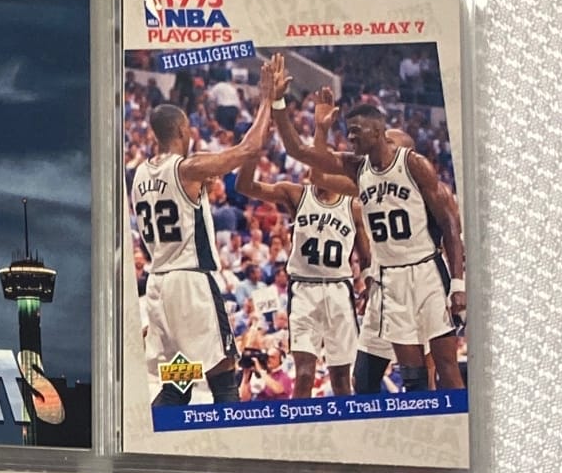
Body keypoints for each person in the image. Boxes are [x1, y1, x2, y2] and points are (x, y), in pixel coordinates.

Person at [266, 52, 465, 394]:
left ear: (378, 131)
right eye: (348, 133)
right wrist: (279, 103)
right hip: (390, 279)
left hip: (426, 269)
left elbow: (449, 224)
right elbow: (299, 152)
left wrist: (458, 283)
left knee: (446, 367)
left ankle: (457, 423)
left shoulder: (413, 165)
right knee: (413, 377)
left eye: (356, 132)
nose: (351, 138)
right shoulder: (358, 169)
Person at [129, 94, 271, 408]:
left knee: (177, 385)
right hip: (190, 284)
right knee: (224, 376)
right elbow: (249, 148)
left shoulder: (139, 174)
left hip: (159, 286)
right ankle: (230, 438)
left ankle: (149, 434)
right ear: (183, 130)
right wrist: (267, 99)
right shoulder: (188, 169)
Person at [235, 77, 369, 400]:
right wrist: (254, 149)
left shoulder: (353, 206)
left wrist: (366, 282)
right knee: (305, 374)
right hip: (304, 290)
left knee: (342, 380)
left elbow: (365, 256)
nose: (315, 169)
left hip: (339, 290)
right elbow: (244, 186)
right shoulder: (296, 194)